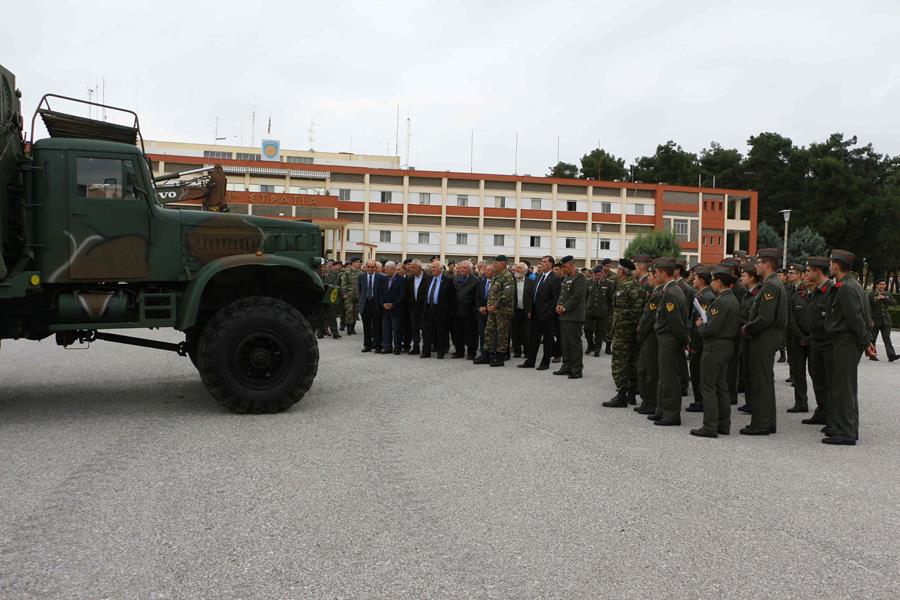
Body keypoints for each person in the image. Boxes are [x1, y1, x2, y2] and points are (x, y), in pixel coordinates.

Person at [824, 250, 876, 445]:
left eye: (830, 263)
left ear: (836, 265)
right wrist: (866, 342)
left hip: (845, 341)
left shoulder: (846, 287)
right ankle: (843, 427)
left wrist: (866, 342)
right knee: (844, 386)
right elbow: (865, 316)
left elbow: (855, 319)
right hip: (847, 341)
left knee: (843, 388)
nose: (829, 267)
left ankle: (846, 432)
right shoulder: (853, 285)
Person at [740, 248, 788, 436]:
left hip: (764, 338)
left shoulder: (770, 286)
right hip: (766, 337)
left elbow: (765, 317)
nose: (756, 266)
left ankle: (760, 423)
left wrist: (747, 327)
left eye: (759, 262)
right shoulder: (772, 283)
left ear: (767, 264)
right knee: (765, 381)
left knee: (761, 381)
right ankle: (767, 421)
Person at [690, 265, 740, 438]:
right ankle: (723, 424)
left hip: (715, 346)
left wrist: (700, 326)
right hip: (726, 345)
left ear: (719, 281)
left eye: (713, 280)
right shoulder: (732, 299)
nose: (711, 283)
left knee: (709, 386)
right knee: (721, 386)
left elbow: (710, 328)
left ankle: (710, 425)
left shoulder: (720, 301)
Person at [651, 257, 689, 426]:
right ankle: (662, 410)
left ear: (664, 273)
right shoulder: (671, 290)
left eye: (657, 272)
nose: (655, 275)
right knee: (663, 377)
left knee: (669, 378)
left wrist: (682, 342)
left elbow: (676, 322)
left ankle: (672, 414)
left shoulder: (671, 293)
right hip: (667, 338)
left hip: (669, 339)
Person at [605, 258, 646, 407]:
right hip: (629, 330)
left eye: (618, 269)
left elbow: (637, 311)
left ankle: (622, 394)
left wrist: (632, 326)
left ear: (622, 271)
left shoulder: (627, 286)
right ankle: (631, 394)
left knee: (619, 362)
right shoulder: (634, 285)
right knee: (632, 362)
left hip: (625, 331)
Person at [801, 257, 834, 430]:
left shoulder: (831, 291)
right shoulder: (815, 291)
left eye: (808, 271)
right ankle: (822, 411)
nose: (805, 274)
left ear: (818, 272)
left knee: (828, 382)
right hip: (815, 341)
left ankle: (832, 417)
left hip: (827, 343)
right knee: (817, 379)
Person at [520, 255, 560, 371]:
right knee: (534, 339)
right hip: (535, 314)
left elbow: (555, 299)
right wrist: (530, 311)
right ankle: (531, 361)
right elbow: (534, 295)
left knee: (547, 340)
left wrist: (549, 313)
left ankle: (545, 362)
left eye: (544, 261)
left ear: (550, 264)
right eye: (541, 261)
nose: (541, 263)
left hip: (547, 315)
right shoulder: (538, 276)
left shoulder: (555, 278)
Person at [632, 266, 662, 414]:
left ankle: (651, 402)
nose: (648, 278)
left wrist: (641, 330)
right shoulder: (654, 293)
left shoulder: (657, 295)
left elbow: (649, 318)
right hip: (647, 335)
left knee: (650, 371)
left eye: (650, 276)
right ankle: (647, 401)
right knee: (643, 369)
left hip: (650, 336)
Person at [686, 266, 715, 412]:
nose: (693, 280)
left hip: (700, 341)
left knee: (698, 371)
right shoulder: (702, 294)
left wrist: (694, 343)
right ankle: (699, 400)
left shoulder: (705, 296)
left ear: (702, 280)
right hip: (698, 338)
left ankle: (701, 401)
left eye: (695, 278)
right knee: (696, 370)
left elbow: (702, 321)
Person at [478, 255, 515, 367]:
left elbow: (507, 295)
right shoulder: (497, 276)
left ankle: (500, 357)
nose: (494, 265)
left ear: (503, 264)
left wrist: (495, 305)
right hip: (492, 310)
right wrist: (489, 305)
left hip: (503, 311)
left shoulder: (507, 276)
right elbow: (492, 293)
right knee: (488, 332)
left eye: (496, 263)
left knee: (502, 334)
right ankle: (486, 355)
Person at [554, 255, 587, 379]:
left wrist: (565, 307)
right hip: (564, 315)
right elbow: (562, 295)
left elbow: (577, 296)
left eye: (564, 266)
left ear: (571, 264)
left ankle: (577, 369)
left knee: (574, 344)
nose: (563, 269)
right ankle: (566, 365)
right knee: (565, 343)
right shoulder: (567, 277)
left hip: (574, 316)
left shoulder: (580, 278)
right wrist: (558, 305)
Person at [786, 266, 811, 412]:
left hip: (812, 339)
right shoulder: (794, 293)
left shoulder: (818, 294)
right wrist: (801, 337)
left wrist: (809, 338)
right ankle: (801, 402)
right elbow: (791, 319)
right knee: (798, 372)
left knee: (816, 372)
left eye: (792, 273)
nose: (807, 277)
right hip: (797, 338)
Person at [736, 263, 760, 414]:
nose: (741, 278)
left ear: (752, 278)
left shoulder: (757, 293)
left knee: (752, 372)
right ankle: (749, 402)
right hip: (744, 335)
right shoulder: (747, 293)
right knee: (746, 370)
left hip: (751, 335)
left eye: (744, 276)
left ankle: (754, 403)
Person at [421, 260, 454, 358]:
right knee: (426, 332)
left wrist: (448, 312)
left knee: (441, 332)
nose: (432, 269)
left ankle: (441, 352)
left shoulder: (447, 281)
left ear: (440, 269)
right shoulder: (428, 279)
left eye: (434, 267)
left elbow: (451, 298)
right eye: (431, 267)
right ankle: (425, 351)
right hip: (428, 309)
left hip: (440, 310)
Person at [451, 260, 480, 359]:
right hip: (457, 311)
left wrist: (475, 309)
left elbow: (477, 296)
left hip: (470, 312)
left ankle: (472, 352)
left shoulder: (476, 280)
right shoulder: (455, 279)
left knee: (471, 333)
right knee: (457, 333)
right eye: (461, 268)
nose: (462, 270)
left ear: (470, 269)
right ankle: (459, 351)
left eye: (465, 268)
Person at [378, 261, 406, 354]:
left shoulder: (401, 280)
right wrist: (383, 304)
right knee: (386, 329)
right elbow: (380, 294)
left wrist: (393, 304)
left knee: (396, 329)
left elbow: (402, 295)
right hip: (385, 309)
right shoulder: (384, 279)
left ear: (393, 269)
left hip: (396, 309)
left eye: (387, 269)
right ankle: (387, 347)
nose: (385, 271)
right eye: (385, 269)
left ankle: (397, 347)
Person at [405, 259, 430, 355]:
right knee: (414, 329)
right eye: (410, 267)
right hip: (413, 308)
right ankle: (415, 347)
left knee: (425, 330)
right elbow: (408, 294)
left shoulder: (428, 278)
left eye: (413, 268)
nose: (411, 269)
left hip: (424, 309)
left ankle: (426, 349)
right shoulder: (410, 279)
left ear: (419, 268)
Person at [868, 279, 897, 362]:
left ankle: (891, 355)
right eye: (880, 284)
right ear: (876, 285)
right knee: (873, 338)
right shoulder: (871, 294)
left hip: (886, 321)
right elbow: (867, 307)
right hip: (875, 320)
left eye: (883, 284)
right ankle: (872, 355)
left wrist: (884, 298)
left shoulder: (887, 294)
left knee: (887, 338)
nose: (882, 286)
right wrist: (869, 319)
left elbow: (894, 303)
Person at [584, 265, 609, 357]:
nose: (597, 277)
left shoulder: (608, 283)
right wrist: (585, 307)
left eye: (598, 275)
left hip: (602, 311)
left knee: (599, 332)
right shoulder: (588, 283)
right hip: (590, 310)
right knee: (587, 329)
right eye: (595, 275)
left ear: (602, 274)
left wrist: (608, 311)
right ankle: (590, 345)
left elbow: (610, 299)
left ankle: (597, 349)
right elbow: (585, 297)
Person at [511, 262, 535, 358]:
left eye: (519, 268)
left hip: (526, 311)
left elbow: (533, 299)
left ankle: (527, 351)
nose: (517, 269)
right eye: (516, 268)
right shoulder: (511, 281)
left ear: (525, 271)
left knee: (526, 333)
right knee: (515, 332)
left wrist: (531, 311)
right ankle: (517, 351)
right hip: (514, 311)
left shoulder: (531, 282)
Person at [358, 259, 382, 352]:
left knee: (376, 325)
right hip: (365, 303)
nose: (370, 269)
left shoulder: (380, 278)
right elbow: (360, 291)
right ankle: (367, 345)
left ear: (375, 268)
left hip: (375, 303)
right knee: (366, 326)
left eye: (372, 267)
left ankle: (377, 345)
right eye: (368, 267)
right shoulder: (361, 277)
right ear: (366, 267)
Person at [475, 265, 494, 359]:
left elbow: (495, 299)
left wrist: (486, 308)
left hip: (491, 313)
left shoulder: (496, 283)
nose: (486, 272)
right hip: (481, 313)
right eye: (485, 270)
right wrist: (479, 307)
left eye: (488, 270)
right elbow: (477, 296)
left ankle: (491, 353)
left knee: (491, 334)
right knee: (482, 333)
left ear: (493, 272)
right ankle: (483, 352)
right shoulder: (481, 283)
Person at [341, 257, 361, 335]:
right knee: (349, 311)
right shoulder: (347, 272)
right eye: (357, 262)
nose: (359, 264)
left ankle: (353, 327)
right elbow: (343, 283)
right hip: (349, 295)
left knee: (355, 312)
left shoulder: (360, 273)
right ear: (353, 262)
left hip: (357, 295)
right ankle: (349, 328)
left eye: (359, 262)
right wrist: (344, 294)